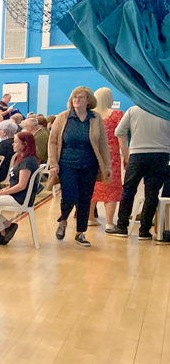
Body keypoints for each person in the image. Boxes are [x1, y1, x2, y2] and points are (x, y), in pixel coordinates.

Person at [47, 87, 112, 247]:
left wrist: (107, 165)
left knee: (85, 198)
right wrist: (53, 164)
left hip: (89, 164)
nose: (77, 100)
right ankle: (63, 220)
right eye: (74, 97)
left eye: (81, 97)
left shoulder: (95, 118)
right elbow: (53, 141)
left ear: (88, 100)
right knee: (69, 195)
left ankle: (80, 233)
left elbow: (103, 143)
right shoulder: (63, 117)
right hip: (67, 163)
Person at [106, 105, 170, 241]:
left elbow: (119, 131)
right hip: (161, 154)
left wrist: (129, 144)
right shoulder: (165, 109)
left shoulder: (134, 110)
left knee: (129, 190)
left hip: (137, 153)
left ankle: (122, 226)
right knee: (152, 193)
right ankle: (145, 230)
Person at [0, 131, 40, 244]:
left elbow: (22, 185)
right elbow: (14, 183)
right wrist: (2, 190)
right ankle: (5, 227)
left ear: (25, 144)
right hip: (15, 195)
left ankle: (3, 229)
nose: (13, 144)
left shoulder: (27, 161)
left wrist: (0, 194)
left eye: (16, 142)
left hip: (20, 198)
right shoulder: (21, 158)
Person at [88, 88, 125, 229]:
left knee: (91, 186)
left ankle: (90, 217)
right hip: (111, 156)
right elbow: (122, 137)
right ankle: (109, 222)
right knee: (111, 188)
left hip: (93, 154)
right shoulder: (116, 115)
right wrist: (125, 155)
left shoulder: (91, 116)